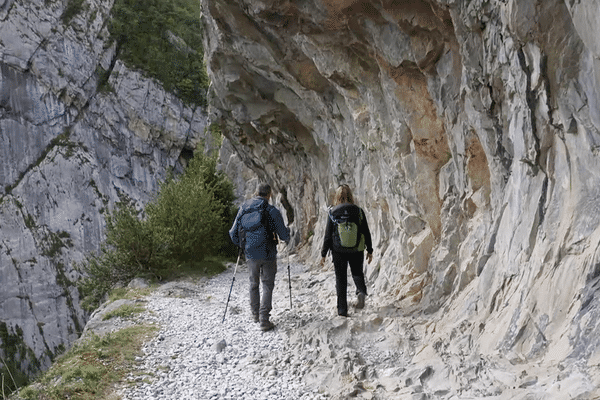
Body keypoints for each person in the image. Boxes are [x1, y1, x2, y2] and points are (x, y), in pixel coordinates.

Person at [229, 183, 290, 331]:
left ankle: (255, 314)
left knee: (253, 283)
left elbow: (233, 233)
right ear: (269, 195)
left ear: (256, 193)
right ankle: (264, 319)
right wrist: (287, 234)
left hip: (250, 253)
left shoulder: (244, 208)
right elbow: (284, 235)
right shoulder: (272, 211)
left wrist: (242, 245)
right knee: (267, 284)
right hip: (268, 253)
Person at [320, 184, 373, 317]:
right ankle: (360, 291)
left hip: (338, 250)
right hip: (356, 249)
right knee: (357, 272)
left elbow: (327, 235)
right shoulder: (359, 211)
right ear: (351, 195)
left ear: (337, 197)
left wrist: (323, 254)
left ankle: (342, 310)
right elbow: (366, 232)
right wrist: (370, 250)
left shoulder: (333, 212)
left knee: (341, 278)